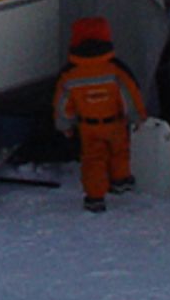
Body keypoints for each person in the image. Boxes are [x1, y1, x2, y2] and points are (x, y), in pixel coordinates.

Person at [51, 16, 145, 212]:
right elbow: (130, 95)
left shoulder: (70, 74)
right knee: (120, 151)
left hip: (88, 126)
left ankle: (95, 197)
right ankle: (120, 181)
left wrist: (65, 125)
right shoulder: (115, 69)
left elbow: (62, 104)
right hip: (115, 123)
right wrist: (136, 117)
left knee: (93, 160)